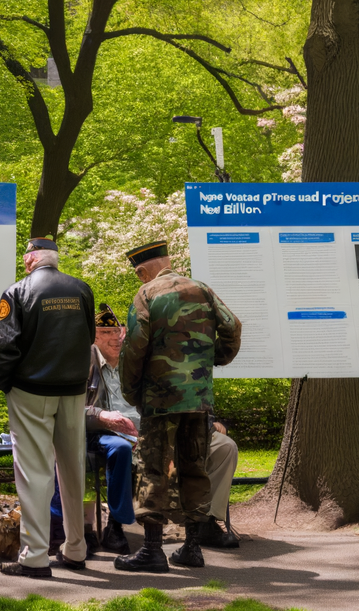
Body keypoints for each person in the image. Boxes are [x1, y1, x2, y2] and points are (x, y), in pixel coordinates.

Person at [115, 240, 242, 573]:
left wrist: (132, 391)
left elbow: (135, 346)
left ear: (143, 270)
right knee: (194, 467)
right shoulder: (202, 289)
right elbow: (233, 326)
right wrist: (214, 360)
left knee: (153, 469)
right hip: (198, 398)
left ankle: (153, 551)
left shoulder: (147, 295)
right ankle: (192, 548)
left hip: (160, 401)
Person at [0, 237, 96, 577]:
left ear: (30, 259)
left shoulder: (16, 292)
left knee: (35, 472)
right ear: (55, 260)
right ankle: (76, 549)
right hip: (75, 390)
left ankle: (35, 556)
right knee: (72, 468)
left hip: (31, 390)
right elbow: (90, 336)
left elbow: (3, 346)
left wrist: (6, 384)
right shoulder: (82, 290)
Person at [84, 303, 139, 555]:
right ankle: (115, 525)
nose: (115, 338)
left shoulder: (134, 363)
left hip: (142, 429)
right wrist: (103, 416)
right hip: (103, 432)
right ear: (94, 336)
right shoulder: (87, 362)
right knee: (120, 449)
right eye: (106, 333)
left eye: (118, 332)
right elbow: (73, 410)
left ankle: (197, 526)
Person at [195, 417, 242, 549]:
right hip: (161, 426)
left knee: (226, 446)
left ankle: (207, 521)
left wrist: (216, 422)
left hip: (198, 428)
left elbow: (204, 405)